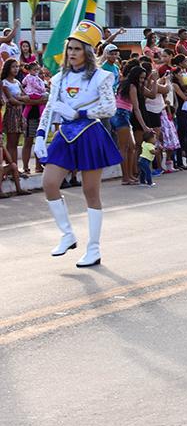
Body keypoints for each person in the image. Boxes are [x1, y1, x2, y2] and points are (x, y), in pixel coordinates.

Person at [34, 21, 123, 267]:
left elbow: (109, 107)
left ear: (88, 51)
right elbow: (50, 107)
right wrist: (40, 135)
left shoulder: (101, 76)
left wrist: (79, 114)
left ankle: (93, 248)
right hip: (65, 135)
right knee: (49, 183)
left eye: (77, 48)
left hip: (89, 134)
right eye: (70, 48)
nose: (72, 53)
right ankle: (67, 234)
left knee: (90, 191)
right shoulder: (58, 78)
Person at [19, 61, 47, 174]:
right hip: (30, 116)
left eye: (39, 71)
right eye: (35, 70)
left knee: (40, 141)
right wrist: (38, 100)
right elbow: (27, 99)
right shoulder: (28, 80)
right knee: (28, 141)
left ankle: (38, 165)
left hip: (41, 116)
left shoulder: (40, 80)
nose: (38, 73)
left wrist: (40, 99)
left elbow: (45, 99)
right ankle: (25, 167)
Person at [1, 58, 26, 170]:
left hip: (19, 112)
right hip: (11, 112)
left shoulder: (18, 82)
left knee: (16, 142)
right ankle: (11, 167)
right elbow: (11, 100)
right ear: (8, 68)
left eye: (17, 66)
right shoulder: (4, 82)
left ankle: (14, 167)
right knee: (11, 142)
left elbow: (26, 96)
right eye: (13, 67)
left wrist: (19, 99)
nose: (16, 69)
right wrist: (21, 100)